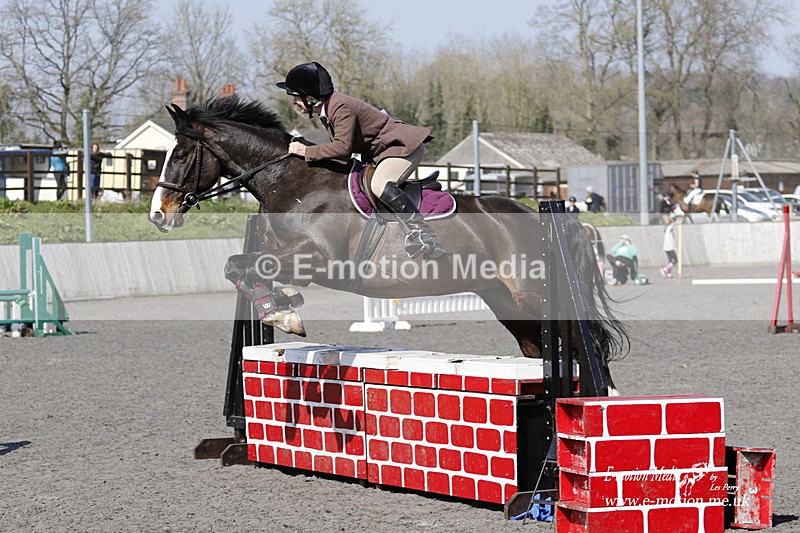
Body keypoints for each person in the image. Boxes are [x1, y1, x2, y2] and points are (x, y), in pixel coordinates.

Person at [276, 61, 443, 259]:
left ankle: (423, 234)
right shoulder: (328, 109)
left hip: (402, 147)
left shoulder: (340, 107)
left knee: (380, 184)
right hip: (383, 152)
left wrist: (306, 151)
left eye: (296, 97)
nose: (294, 102)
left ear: (311, 98)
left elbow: (342, 148)